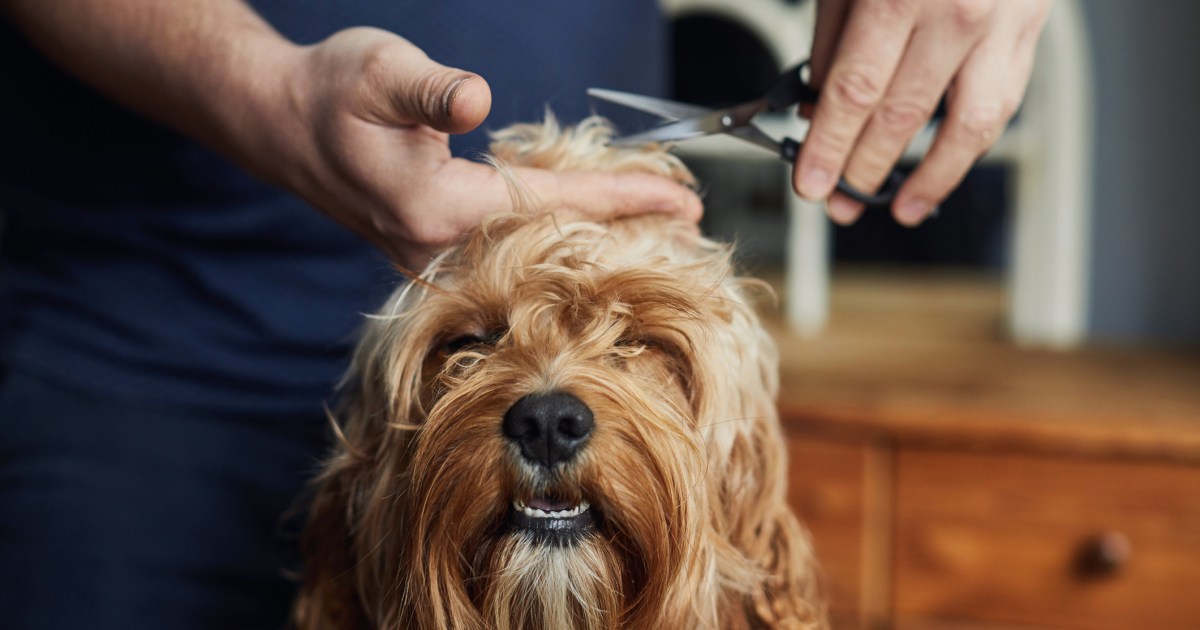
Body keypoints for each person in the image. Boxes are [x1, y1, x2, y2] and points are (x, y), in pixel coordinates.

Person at [0, 0, 1049, 627]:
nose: (549, 400)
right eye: (470, 348)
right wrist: (268, 93)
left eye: (640, 348)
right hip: (140, 351)